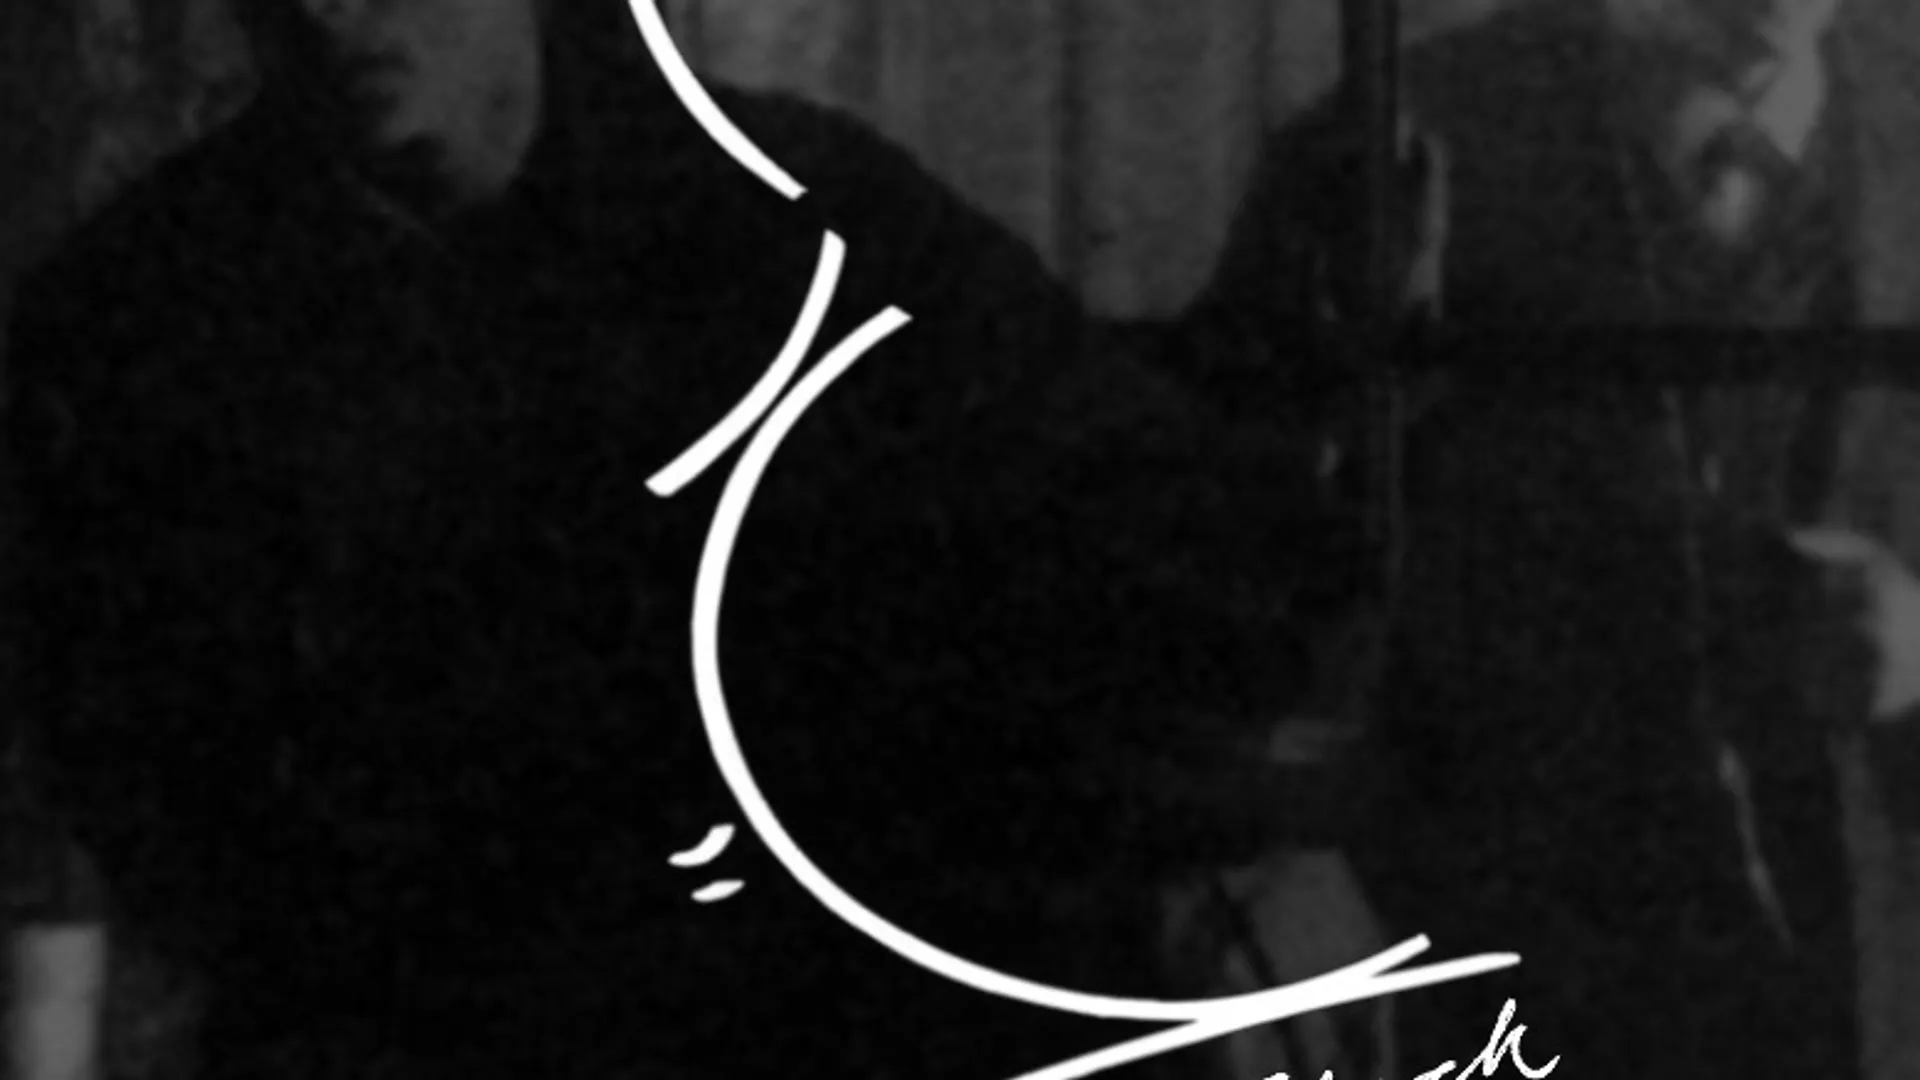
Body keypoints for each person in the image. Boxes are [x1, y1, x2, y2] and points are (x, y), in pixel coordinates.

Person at [0, 0, 1386, 1077]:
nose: (332, 6)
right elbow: (176, 817)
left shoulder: (801, 224)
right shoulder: (138, 333)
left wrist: (1257, 842)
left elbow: (1119, 499)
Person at [1186, 0, 1920, 1077]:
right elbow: (1214, 572)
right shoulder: (1399, 145)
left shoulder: (1901, 142)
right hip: (1492, 978)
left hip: (1851, 997)